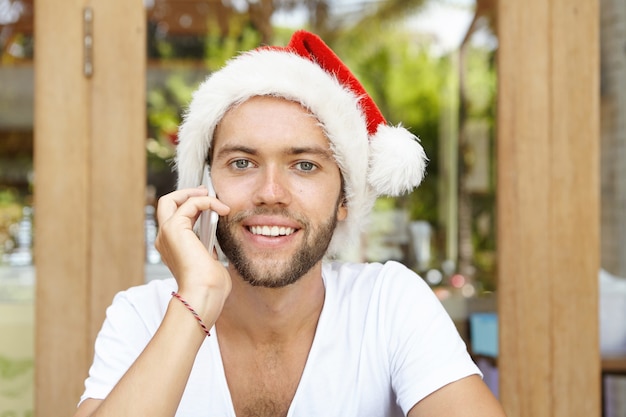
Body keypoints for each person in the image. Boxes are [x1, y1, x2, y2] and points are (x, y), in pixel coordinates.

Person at [73, 30, 506, 417]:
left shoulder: (388, 304)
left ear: (345, 200)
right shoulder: (143, 316)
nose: (271, 192)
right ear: (204, 186)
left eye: (303, 165)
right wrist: (197, 302)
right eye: (242, 163)